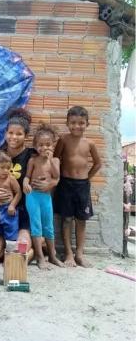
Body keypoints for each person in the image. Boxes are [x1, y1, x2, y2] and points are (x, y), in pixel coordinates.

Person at [0, 109, 57, 262]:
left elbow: (52, 170)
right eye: (10, 133)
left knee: (19, 251)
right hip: (3, 212)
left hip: (25, 211)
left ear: (26, 136)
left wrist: (50, 183)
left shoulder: (33, 155)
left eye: (19, 134)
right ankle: (9, 248)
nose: (14, 137)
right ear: (5, 133)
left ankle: (32, 253)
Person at [53, 106, 101, 268]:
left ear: (87, 124)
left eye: (81, 123)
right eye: (73, 123)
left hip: (82, 186)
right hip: (65, 184)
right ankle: (68, 254)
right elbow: (55, 159)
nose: (77, 126)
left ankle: (80, 254)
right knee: (66, 219)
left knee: (81, 220)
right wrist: (56, 178)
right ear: (67, 123)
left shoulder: (90, 143)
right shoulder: (63, 140)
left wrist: (88, 177)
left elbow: (98, 163)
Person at [23, 124, 64, 270]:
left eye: (47, 144)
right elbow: (27, 177)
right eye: (40, 145)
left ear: (53, 145)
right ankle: (40, 257)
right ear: (35, 145)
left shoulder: (55, 161)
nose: (44, 148)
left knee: (49, 226)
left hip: (46, 197)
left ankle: (52, 256)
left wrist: (51, 159)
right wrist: (25, 184)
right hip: (32, 196)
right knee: (36, 226)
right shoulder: (32, 160)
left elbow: (57, 176)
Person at [0, 151, 21, 242]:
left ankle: (10, 252)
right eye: (2, 167)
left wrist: (12, 205)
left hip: (8, 210)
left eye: (8, 168)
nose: (6, 170)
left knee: (11, 233)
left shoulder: (11, 178)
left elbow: (18, 193)